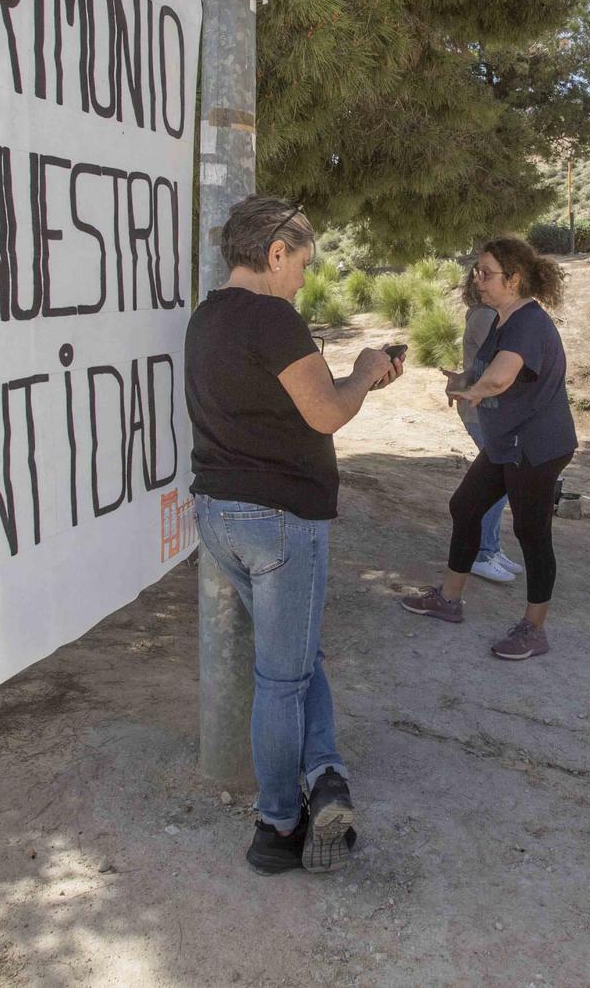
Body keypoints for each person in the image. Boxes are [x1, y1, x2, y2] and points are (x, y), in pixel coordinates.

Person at [186, 196, 404, 876]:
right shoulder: (272, 317)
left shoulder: (206, 316)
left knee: (296, 659)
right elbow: (328, 411)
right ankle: (277, 824)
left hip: (221, 515)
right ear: (276, 252)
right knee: (282, 677)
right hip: (279, 517)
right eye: (302, 263)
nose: (304, 279)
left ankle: (327, 775)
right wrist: (366, 371)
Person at [401, 237, 578, 658]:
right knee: (465, 507)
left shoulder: (528, 322)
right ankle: (448, 599)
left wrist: (474, 391)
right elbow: (495, 374)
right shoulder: (503, 318)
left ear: (514, 279)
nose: (477, 280)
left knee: (531, 532)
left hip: (535, 445)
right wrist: (465, 380)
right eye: (476, 272)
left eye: (486, 273)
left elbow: (499, 379)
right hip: (507, 441)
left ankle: (534, 630)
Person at [445, 270, 522, 585]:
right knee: (496, 482)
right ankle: (481, 553)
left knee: (499, 481)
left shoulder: (491, 315)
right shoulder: (486, 317)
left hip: (488, 410)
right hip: (483, 411)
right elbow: (495, 367)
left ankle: (490, 549)